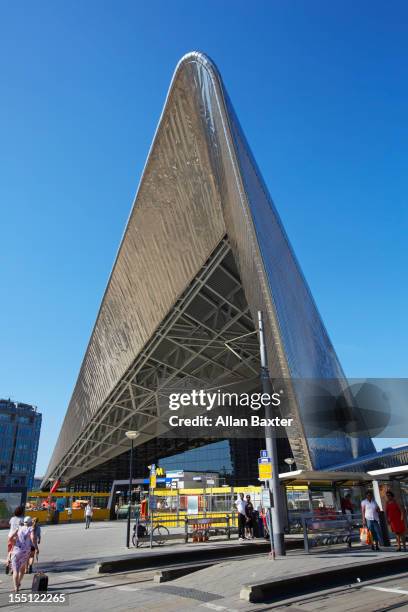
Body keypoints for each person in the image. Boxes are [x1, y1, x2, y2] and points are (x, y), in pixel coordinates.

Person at [9, 516, 37, 592]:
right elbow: (33, 538)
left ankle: (16, 587)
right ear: (30, 522)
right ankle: (19, 583)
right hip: (25, 552)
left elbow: (10, 538)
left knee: (15, 571)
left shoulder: (19, 529)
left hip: (16, 551)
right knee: (22, 569)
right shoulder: (30, 529)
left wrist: (14, 541)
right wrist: (36, 547)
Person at [5, 506, 24, 575]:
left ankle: (7, 563)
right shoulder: (22, 519)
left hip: (10, 536)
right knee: (15, 553)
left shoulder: (12, 518)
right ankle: (12, 569)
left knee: (10, 551)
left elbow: (10, 524)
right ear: (21, 512)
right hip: (16, 538)